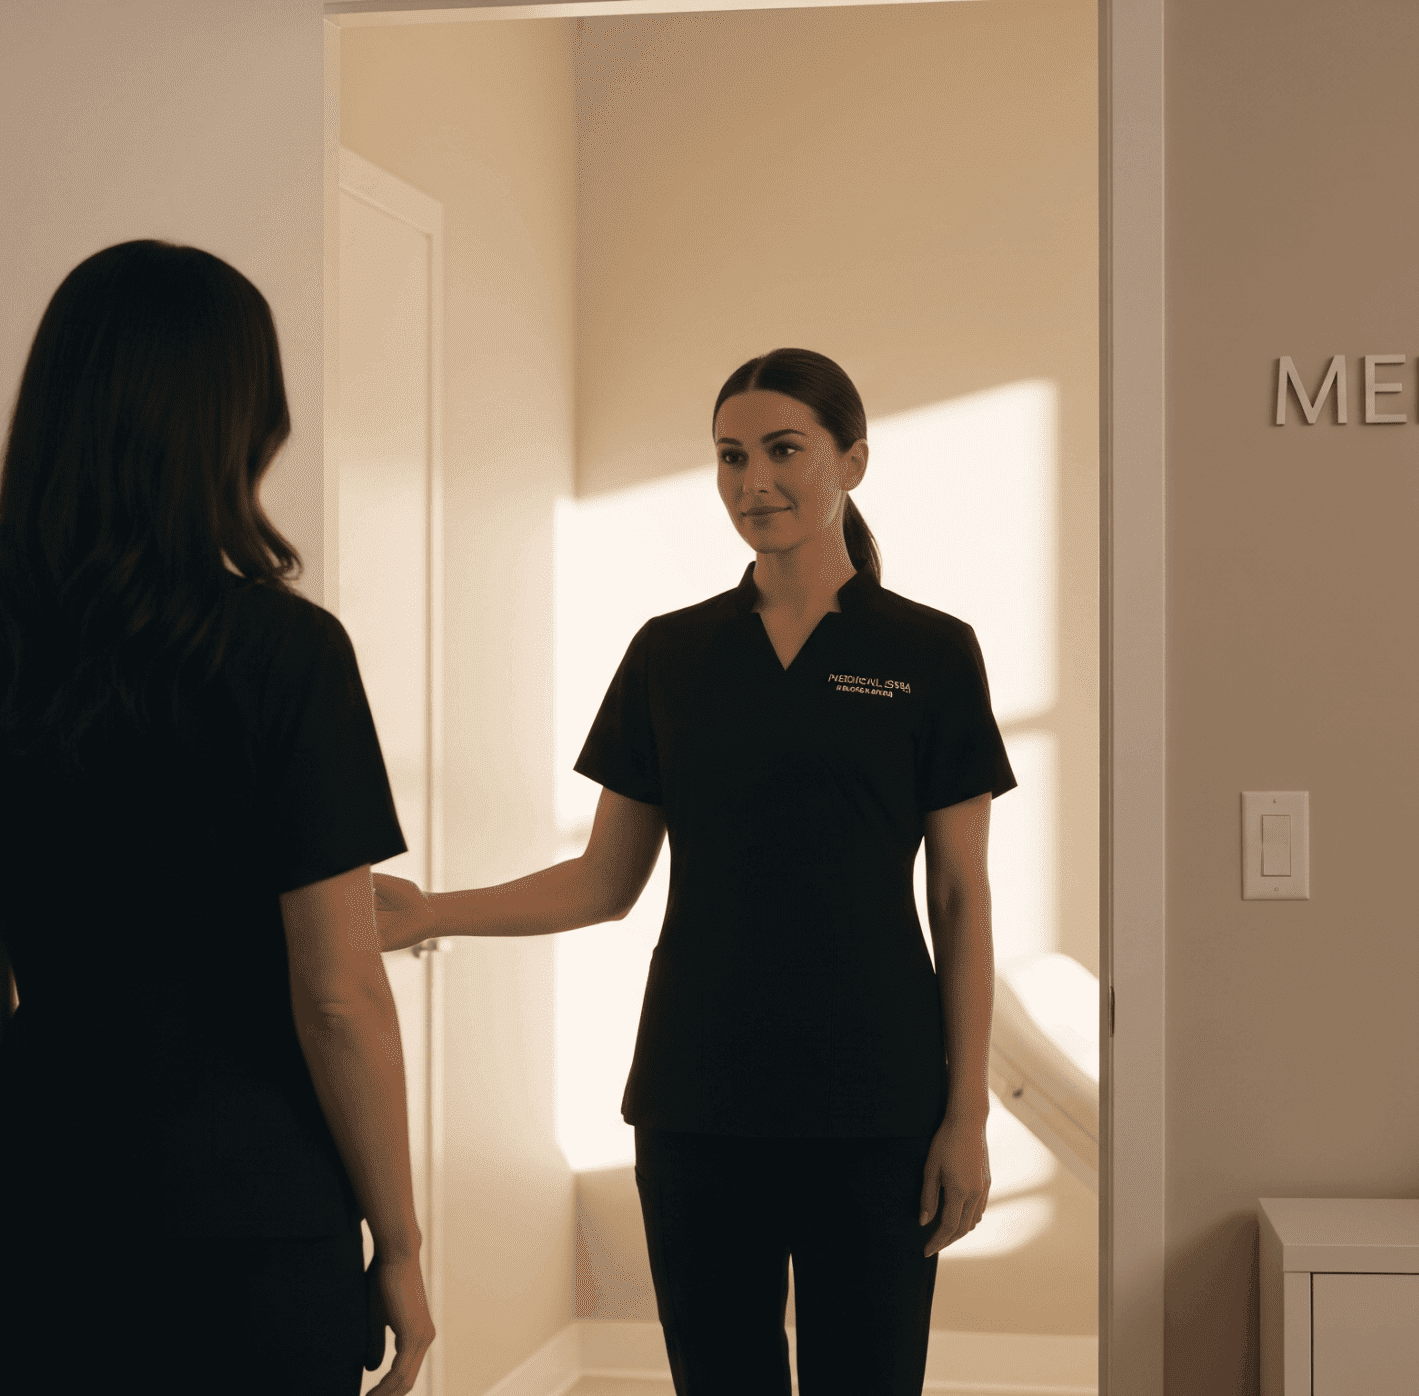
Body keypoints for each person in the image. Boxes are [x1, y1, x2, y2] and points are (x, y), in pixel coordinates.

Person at [375, 347, 1010, 1396]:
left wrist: (966, 1113)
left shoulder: (931, 654)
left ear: (852, 459)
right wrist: (428, 909)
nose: (752, 481)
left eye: (782, 450)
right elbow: (601, 881)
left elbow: (960, 898)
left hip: (880, 1104)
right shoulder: (671, 654)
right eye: (729, 456)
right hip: (698, 1102)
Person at [0, 240, 433, 1394]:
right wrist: (400, 1244)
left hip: (28, 1226)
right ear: (233, 421)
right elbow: (338, 993)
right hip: (251, 1232)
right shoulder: (286, 653)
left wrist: (49, 1158)